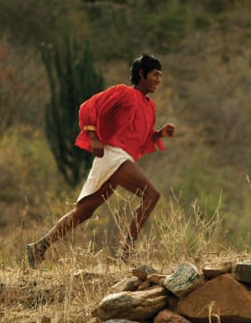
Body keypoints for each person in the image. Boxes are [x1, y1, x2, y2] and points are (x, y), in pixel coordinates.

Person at [26, 53, 175, 269]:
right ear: (142, 74)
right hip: (113, 155)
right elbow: (88, 107)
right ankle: (126, 253)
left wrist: (159, 134)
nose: (159, 80)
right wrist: (93, 137)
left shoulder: (150, 106)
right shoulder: (123, 92)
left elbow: (139, 139)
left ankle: (39, 247)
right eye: (155, 74)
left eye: (160, 76)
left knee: (84, 212)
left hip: (118, 158)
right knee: (152, 195)